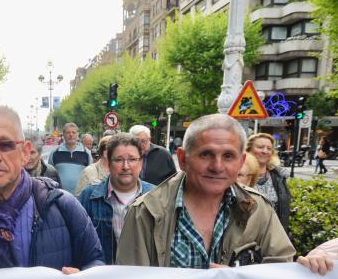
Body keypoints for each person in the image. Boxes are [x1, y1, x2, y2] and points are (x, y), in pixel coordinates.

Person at [117, 114, 295, 268]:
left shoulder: (258, 209)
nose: (217, 166)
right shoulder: (146, 212)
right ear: (182, 159)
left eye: (228, 156)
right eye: (206, 154)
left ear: (241, 162)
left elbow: (280, 271)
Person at [0, 104, 104, 273]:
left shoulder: (64, 207)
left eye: (5, 145)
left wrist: (81, 278)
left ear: (25, 153)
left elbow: (96, 262)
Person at [79, 133, 154, 264]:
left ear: (140, 163)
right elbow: (78, 243)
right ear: (108, 163)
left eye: (132, 159)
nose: (125, 166)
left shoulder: (156, 197)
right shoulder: (88, 198)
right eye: (119, 160)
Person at [245, 133, 291, 233]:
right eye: (260, 147)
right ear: (249, 150)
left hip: (273, 236)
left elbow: (283, 210)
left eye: (269, 148)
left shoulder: (279, 177)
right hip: (245, 236)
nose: (265, 151)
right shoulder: (239, 175)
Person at [48, 122, 92, 195]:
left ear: (77, 135)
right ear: (64, 135)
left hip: (80, 198)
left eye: (73, 132)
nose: (71, 135)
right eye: (68, 132)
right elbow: (50, 175)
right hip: (60, 197)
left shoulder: (86, 153)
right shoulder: (55, 153)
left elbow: (90, 176)